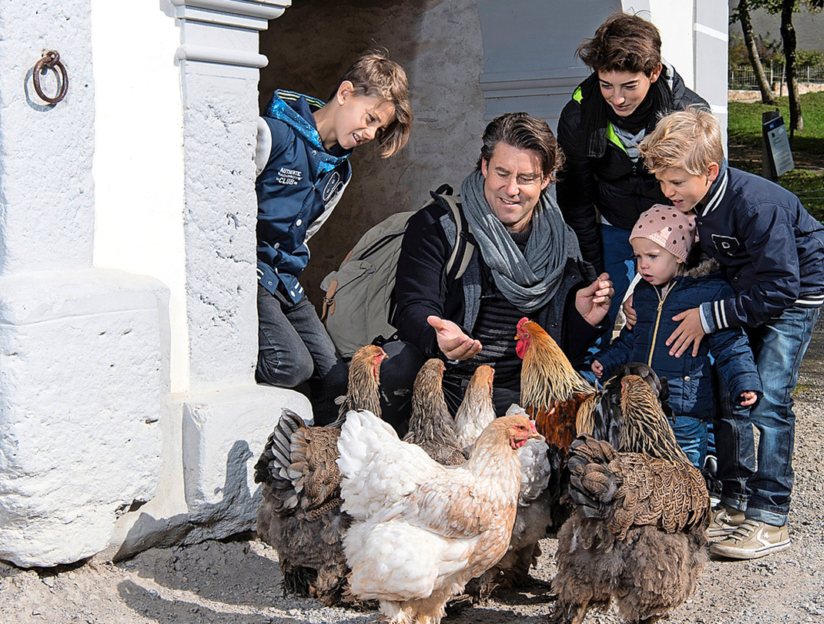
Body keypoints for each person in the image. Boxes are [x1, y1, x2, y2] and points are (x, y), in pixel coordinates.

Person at [638, 108, 824, 560]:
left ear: (709, 170)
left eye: (676, 183)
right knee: (732, 395)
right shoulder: (695, 202)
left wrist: (709, 317)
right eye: (662, 183)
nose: (668, 193)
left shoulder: (755, 205)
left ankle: (770, 516)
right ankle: (736, 501)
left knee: (768, 399)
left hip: (793, 296)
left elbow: (783, 286)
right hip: (748, 289)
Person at [380, 112, 614, 431]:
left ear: (546, 178)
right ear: (485, 167)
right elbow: (413, 306)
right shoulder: (438, 226)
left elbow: (561, 350)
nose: (511, 189)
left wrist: (583, 317)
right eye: (502, 173)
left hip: (526, 391)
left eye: (526, 178)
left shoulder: (563, 242)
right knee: (395, 363)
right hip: (452, 384)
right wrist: (437, 336)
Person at [254, 52, 412, 424]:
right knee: (292, 366)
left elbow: (306, 231)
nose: (370, 134)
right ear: (344, 93)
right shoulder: (269, 136)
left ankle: (322, 462)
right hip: (250, 276)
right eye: (370, 118)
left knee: (335, 378)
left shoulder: (339, 171)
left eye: (378, 130)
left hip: (286, 283)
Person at [556, 12, 707, 348]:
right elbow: (576, 202)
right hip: (611, 227)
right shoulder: (577, 118)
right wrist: (594, 272)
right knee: (594, 309)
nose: (617, 98)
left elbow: (705, 198)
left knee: (671, 316)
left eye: (629, 86)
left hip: (676, 231)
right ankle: (585, 385)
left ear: (653, 73)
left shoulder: (690, 114)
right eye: (606, 85)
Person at [590, 205, 761, 469]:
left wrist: (744, 382)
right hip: (642, 409)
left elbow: (732, 344)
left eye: (652, 255)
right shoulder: (644, 294)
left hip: (685, 412)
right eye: (637, 256)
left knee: (684, 473)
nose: (643, 264)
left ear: (679, 255)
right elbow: (631, 339)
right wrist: (608, 360)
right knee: (643, 469)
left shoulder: (710, 292)